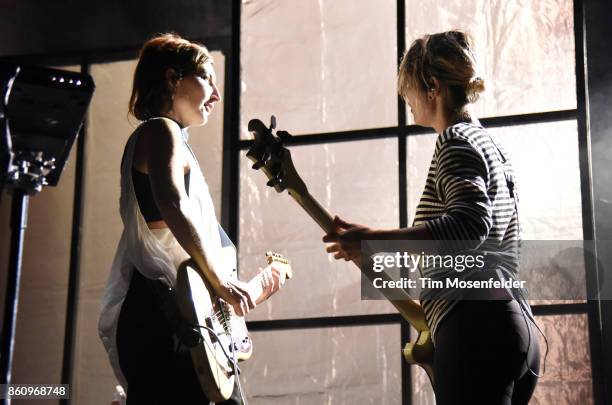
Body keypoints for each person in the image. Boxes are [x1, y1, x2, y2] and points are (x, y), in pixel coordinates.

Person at [323, 31, 541, 405]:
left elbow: (469, 227)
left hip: (477, 330)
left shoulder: (455, 140)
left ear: (432, 87)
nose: (405, 100)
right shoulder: (489, 144)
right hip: (513, 327)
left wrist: (375, 237)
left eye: (407, 89)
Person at [99, 33, 281, 405]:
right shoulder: (159, 129)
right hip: (161, 309)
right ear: (172, 79)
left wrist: (238, 286)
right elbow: (173, 204)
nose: (216, 94)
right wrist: (222, 282)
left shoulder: (169, 137)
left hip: (167, 306)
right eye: (207, 79)